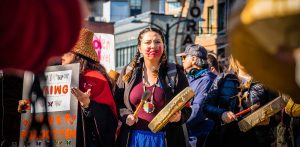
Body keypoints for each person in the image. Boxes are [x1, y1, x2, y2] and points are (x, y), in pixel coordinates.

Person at [19, 28, 118, 147]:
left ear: (78, 54)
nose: (60, 55)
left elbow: (109, 119)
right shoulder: (49, 74)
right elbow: (36, 104)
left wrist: (88, 104)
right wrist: (23, 107)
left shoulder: (96, 79)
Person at [114, 27, 191, 147]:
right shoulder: (129, 71)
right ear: (139, 47)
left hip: (166, 139)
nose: (153, 46)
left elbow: (187, 106)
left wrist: (179, 117)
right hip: (133, 139)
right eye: (147, 42)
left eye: (157, 42)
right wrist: (126, 116)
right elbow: (118, 102)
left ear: (163, 46)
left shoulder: (175, 72)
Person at [203, 55, 278, 147]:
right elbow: (206, 107)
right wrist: (221, 114)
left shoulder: (266, 81)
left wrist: (270, 120)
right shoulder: (222, 79)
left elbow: (278, 112)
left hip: (257, 140)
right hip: (226, 139)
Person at [176, 44, 216, 147]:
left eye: (184, 57)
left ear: (193, 59)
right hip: (190, 136)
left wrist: (177, 124)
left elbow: (197, 111)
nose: (182, 60)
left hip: (200, 138)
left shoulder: (207, 80)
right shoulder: (191, 78)